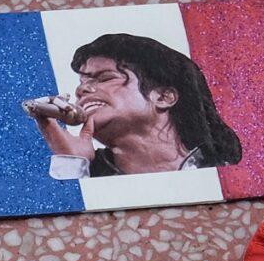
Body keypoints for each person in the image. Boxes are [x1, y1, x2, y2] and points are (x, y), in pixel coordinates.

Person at [22, 32, 244, 179]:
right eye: (82, 83)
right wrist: (72, 163)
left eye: (105, 78)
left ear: (164, 97)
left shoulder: (224, 170)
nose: (81, 91)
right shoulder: (83, 171)